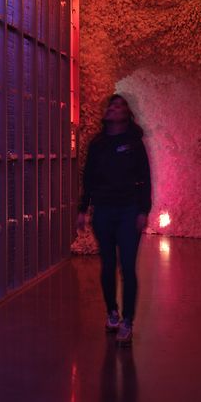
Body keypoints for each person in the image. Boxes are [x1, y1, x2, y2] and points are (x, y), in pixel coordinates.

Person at [76, 93, 152, 346]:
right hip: (104, 210)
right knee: (108, 265)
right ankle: (112, 312)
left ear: (127, 113)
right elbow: (89, 178)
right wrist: (83, 209)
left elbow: (144, 178)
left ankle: (128, 321)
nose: (115, 108)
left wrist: (143, 210)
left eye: (120, 105)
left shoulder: (134, 143)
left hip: (129, 210)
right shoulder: (98, 144)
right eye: (112, 104)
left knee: (127, 266)